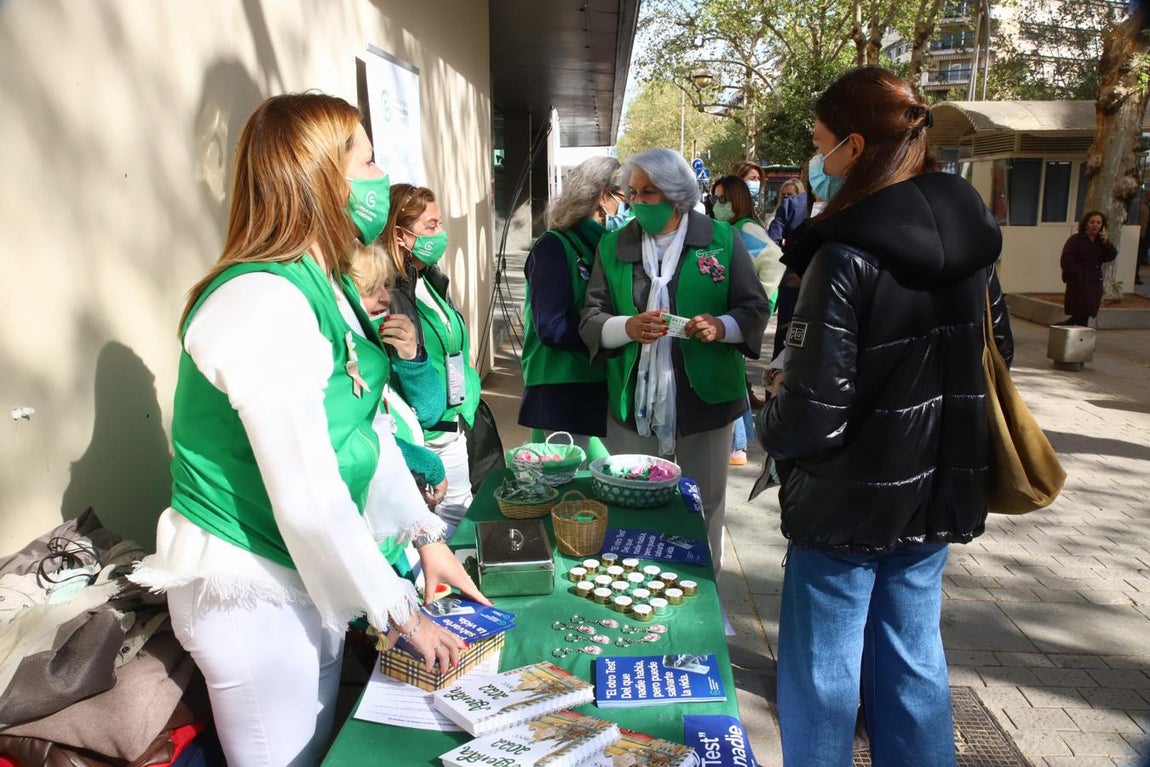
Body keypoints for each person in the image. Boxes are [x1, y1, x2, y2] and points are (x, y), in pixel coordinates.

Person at [130, 93, 490, 766]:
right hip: (250, 590)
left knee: (319, 748)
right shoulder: (261, 300)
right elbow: (305, 489)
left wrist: (425, 538)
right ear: (322, 178)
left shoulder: (324, 286)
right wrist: (399, 610)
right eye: (369, 161)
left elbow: (362, 431)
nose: (382, 177)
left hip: (304, 572)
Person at [759, 67, 1013, 766]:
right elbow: (999, 358)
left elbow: (812, 414)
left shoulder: (842, 253)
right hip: (937, 492)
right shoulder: (976, 246)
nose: (817, 159)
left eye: (821, 143)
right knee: (914, 661)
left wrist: (768, 415)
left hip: (844, 504)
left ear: (856, 146)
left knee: (823, 676)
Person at [579, 149, 771, 569]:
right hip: (634, 401)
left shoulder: (721, 239)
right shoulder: (614, 244)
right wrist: (626, 327)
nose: (637, 202)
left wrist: (722, 326)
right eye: (633, 193)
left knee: (703, 504)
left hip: (707, 400)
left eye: (649, 192)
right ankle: (642, 586)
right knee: (634, 502)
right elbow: (591, 316)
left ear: (677, 194)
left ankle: (704, 589)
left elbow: (754, 307)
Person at [381, 184, 482, 537]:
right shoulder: (388, 294)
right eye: (431, 225)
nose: (441, 234)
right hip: (426, 437)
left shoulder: (429, 279)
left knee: (461, 527)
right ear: (400, 235)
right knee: (435, 536)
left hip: (454, 426)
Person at [518, 156, 621, 453]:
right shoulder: (554, 246)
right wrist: (616, 331)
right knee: (568, 478)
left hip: (598, 384)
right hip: (561, 390)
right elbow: (551, 326)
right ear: (602, 195)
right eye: (624, 194)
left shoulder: (606, 246)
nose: (629, 203)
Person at [348, 244, 448, 513]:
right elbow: (356, 438)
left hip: (403, 498)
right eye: (372, 289)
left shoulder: (380, 340)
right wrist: (425, 462)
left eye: (386, 286)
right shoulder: (341, 354)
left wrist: (412, 356)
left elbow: (431, 412)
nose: (386, 298)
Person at [709, 174, 783, 465]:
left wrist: (757, 301)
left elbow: (775, 261)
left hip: (737, 316)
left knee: (729, 374)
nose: (718, 204)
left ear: (737, 200)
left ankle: (736, 445)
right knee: (733, 374)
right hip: (731, 315)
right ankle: (738, 442)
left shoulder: (744, 229)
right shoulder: (729, 229)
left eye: (724, 199)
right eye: (715, 198)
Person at [1060, 210, 1117, 326]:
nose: (1095, 225)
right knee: (1080, 310)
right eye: (1092, 222)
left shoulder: (1101, 242)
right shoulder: (1076, 239)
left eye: (1098, 223)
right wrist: (1077, 274)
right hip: (1079, 279)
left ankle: (1074, 326)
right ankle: (1076, 329)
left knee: (1086, 311)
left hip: (1094, 280)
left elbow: (1110, 256)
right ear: (1086, 224)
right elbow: (1067, 259)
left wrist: (1106, 243)